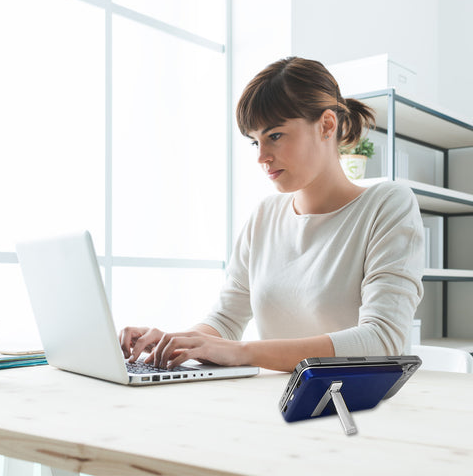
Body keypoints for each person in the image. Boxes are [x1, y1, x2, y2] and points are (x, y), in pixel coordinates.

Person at [119, 56, 424, 373]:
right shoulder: (265, 216)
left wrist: (243, 352)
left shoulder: (388, 206)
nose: (262, 157)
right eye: (255, 142)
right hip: (279, 408)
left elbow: (382, 341)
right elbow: (225, 320)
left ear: (327, 125)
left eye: (275, 135)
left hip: (364, 410)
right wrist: (173, 342)